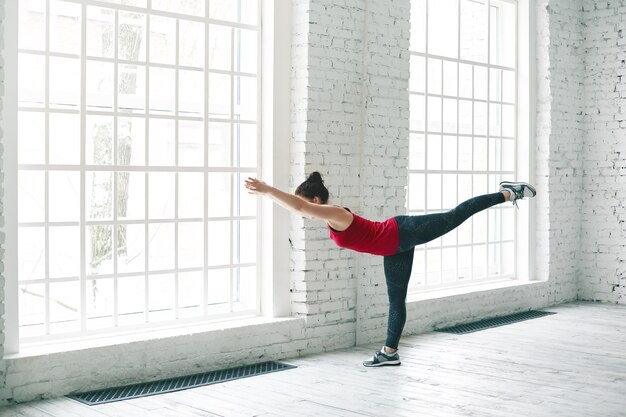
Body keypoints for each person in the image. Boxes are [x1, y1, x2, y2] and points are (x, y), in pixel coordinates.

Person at [244, 172, 536, 367]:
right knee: (396, 301)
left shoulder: (333, 213)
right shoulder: (328, 218)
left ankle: (508, 194)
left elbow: (299, 207)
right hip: (394, 248)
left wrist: (268, 190)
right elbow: (299, 206)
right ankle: (390, 353)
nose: (305, 209)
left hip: (403, 231)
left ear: (316, 201)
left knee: (454, 216)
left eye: (306, 203)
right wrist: (268, 194)